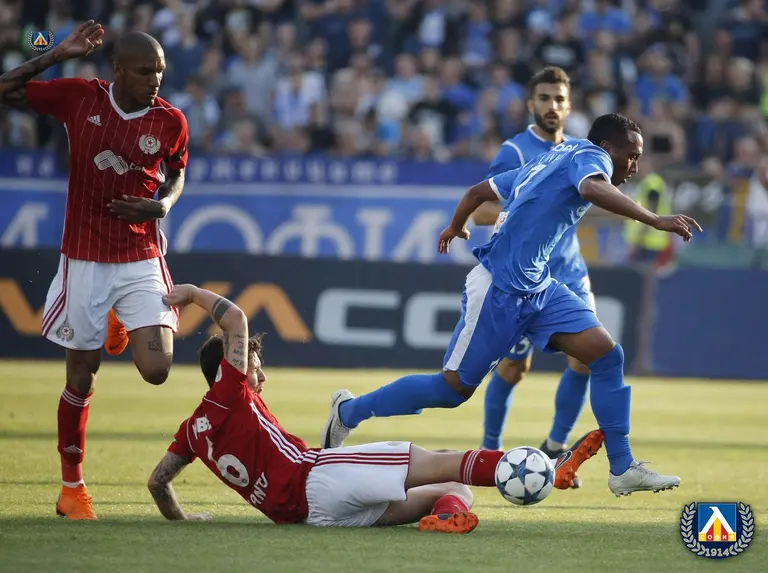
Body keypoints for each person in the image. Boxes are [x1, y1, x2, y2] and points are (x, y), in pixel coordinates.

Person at [322, 113, 701, 496]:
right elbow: (590, 188)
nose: (634, 166)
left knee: (606, 356)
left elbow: (476, 193)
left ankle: (622, 467)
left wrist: (456, 226)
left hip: (538, 287)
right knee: (451, 391)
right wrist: (654, 219)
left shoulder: (551, 158)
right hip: (498, 288)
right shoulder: (590, 156)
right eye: (631, 156)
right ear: (606, 148)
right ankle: (349, 412)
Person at [148, 284, 605, 532]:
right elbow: (235, 318)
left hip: (312, 518)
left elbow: (158, 483)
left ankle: (447, 515)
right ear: (228, 370)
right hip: (318, 476)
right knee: (444, 460)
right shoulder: (229, 392)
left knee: (452, 488)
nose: (260, 378)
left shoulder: (192, 430)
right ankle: (548, 468)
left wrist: (183, 518)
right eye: (254, 369)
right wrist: (192, 292)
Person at [0, 21, 190, 519]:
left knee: (157, 370)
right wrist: (54, 54)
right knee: (82, 376)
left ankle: (119, 317)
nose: (155, 80)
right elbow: (6, 89)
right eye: (145, 71)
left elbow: (177, 172)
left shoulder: (171, 120)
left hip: (140, 256)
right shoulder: (80, 97)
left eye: (160, 71)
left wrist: (164, 204)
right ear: (118, 70)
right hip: (85, 260)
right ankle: (73, 489)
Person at [472, 67, 594, 475]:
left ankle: (556, 450)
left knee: (587, 358)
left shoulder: (580, 151)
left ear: (569, 106)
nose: (552, 106)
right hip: (525, 278)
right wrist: (524, 207)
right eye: (544, 98)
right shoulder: (515, 151)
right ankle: (491, 452)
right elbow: (481, 210)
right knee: (513, 368)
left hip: (570, 273)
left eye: (559, 99)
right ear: (531, 105)